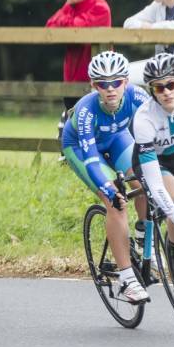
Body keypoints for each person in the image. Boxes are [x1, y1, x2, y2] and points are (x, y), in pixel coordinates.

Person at [62, 51, 150, 303]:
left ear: (126, 82)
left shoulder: (138, 96)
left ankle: (144, 239)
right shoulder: (86, 111)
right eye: (103, 84)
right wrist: (109, 190)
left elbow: (154, 132)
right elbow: (91, 159)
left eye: (116, 82)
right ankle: (127, 279)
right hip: (80, 147)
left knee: (142, 182)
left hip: (115, 138)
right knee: (115, 201)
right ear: (93, 85)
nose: (110, 89)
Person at [133, 53, 174, 281]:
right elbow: (154, 181)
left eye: (171, 84)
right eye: (158, 88)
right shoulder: (145, 118)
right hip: (156, 162)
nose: (166, 92)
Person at [45, 0, 111, 111]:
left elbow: (75, 32)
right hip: (71, 80)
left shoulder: (100, 7)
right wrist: (69, 20)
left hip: (95, 82)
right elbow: (50, 26)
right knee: (71, 125)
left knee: (91, 126)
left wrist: (65, 20)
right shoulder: (70, 5)